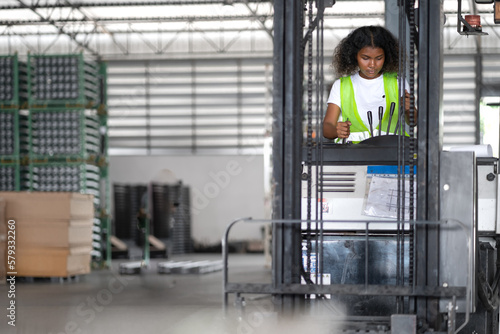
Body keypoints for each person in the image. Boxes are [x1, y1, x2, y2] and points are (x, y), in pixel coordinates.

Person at [322, 25, 416, 143]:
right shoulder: (341, 86)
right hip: (354, 157)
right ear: (354, 56)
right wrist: (336, 130)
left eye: (378, 58)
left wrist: (410, 110)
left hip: (392, 156)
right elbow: (327, 128)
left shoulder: (398, 83)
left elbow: (413, 122)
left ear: (386, 57)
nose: (372, 64)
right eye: (365, 58)